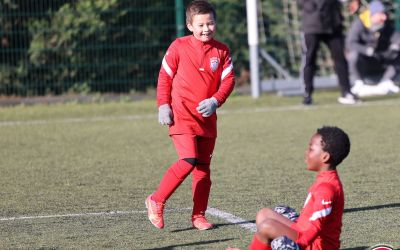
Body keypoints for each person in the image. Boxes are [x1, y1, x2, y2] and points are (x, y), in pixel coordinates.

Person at [145, 0, 235, 230]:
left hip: (207, 120)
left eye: (211, 23)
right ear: (189, 26)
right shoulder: (178, 46)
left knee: (203, 168)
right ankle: (156, 200)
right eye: (201, 24)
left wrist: (215, 101)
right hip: (182, 115)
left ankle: (198, 216)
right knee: (188, 160)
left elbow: (228, 81)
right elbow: (164, 77)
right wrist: (163, 105)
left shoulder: (222, 50)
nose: (206, 29)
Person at [228, 126, 350, 250]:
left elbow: (313, 229)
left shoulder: (326, 189)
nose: (306, 153)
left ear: (325, 157)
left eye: (311, 149)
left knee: (267, 226)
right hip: (304, 234)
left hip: (316, 246)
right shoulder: (326, 179)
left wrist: (294, 246)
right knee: (264, 214)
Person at [298, 0, 359, 105]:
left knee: (340, 59)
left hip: (333, 24)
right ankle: (307, 93)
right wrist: (312, 6)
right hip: (312, 24)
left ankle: (346, 92)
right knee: (309, 59)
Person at [346, 0, 400, 97]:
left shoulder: (386, 24)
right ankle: (358, 83)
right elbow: (350, 43)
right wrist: (366, 50)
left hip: (382, 59)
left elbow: (397, 38)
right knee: (353, 55)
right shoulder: (359, 23)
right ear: (373, 15)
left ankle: (387, 81)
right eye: (381, 14)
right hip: (365, 61)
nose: (384, 17)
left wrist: (395, 46)